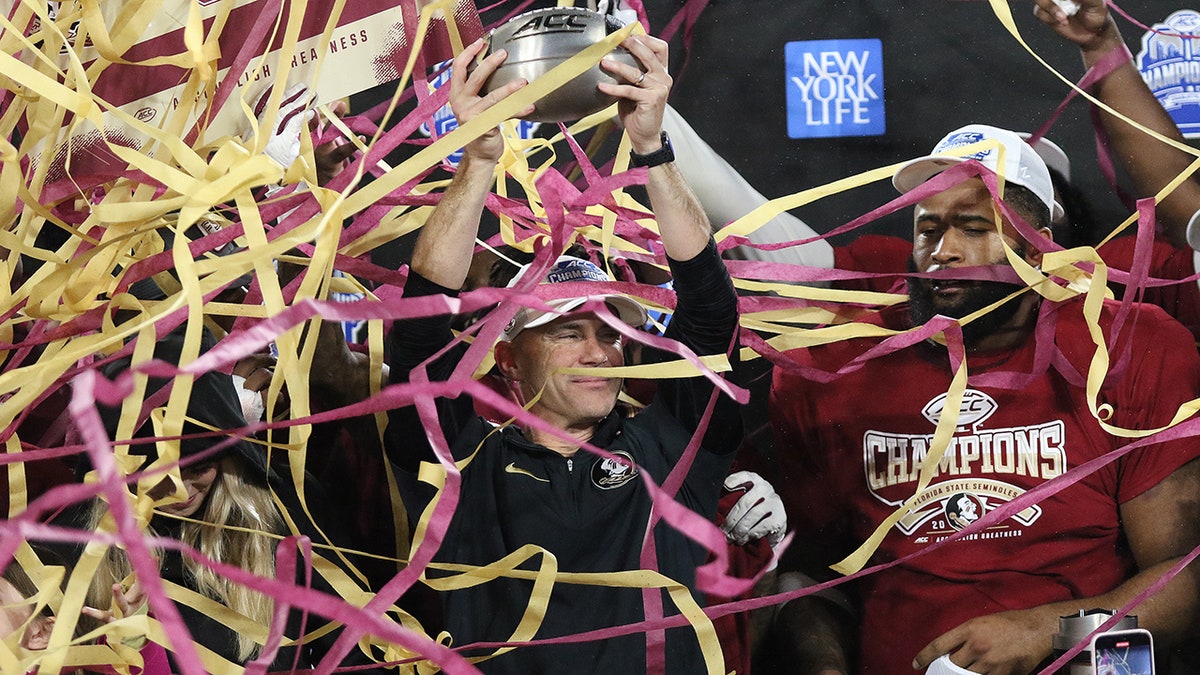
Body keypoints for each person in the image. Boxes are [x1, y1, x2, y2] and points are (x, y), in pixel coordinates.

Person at [768, 123, 1200, 674]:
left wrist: (1049, 631)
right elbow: (810, 577)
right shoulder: (838, 367)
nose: (941, 252)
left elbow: (1183, 583)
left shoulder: (1121, 348)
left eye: (973, 228)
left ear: (1041, 244)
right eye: (927, 230)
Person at [385, 32, 742, 674]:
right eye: (567, 331)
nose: (600, 351)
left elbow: (711, 316)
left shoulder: (674, 449)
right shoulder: (464, 464)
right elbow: (418, 338)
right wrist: (478, 163)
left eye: (610, 333)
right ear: (508, 358)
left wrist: (652, 150)